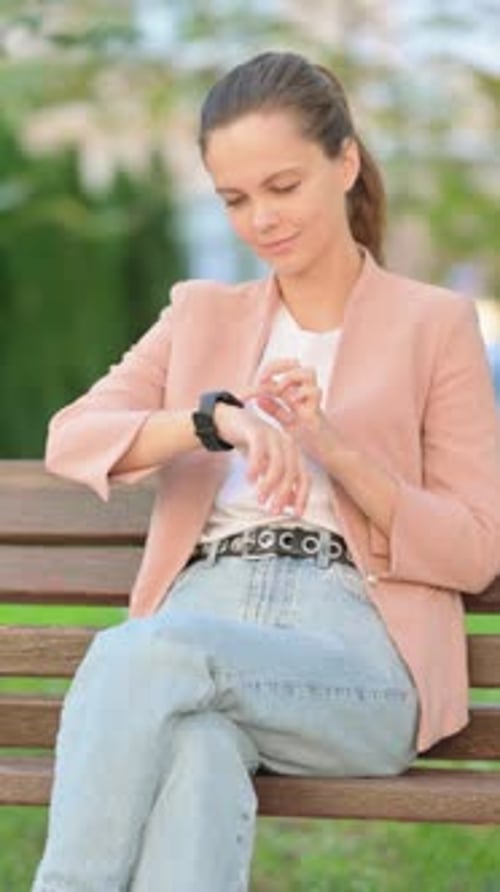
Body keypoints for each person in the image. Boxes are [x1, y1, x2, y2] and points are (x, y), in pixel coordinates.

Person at [32, 50, 500, 892]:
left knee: (144, 655)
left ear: (345, 162)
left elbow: (473, 551)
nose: (261, 220)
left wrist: (333, 443)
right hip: (200, 618)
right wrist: (216, 422)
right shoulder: (200, 314)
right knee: (197, 750)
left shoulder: (435, 324)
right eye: (235, 199)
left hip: (351, 655)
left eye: (282, 187)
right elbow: (73, 436)